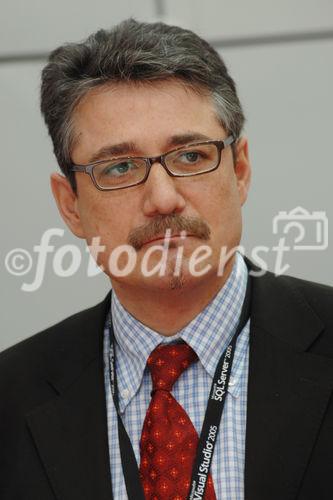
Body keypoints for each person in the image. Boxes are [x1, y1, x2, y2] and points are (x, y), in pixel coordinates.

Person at [0, 18, 332, 500]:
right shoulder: (11, 398)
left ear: (240, 170)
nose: (162, 199)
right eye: (119, 167)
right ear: (70, 205)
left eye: (191, 157)